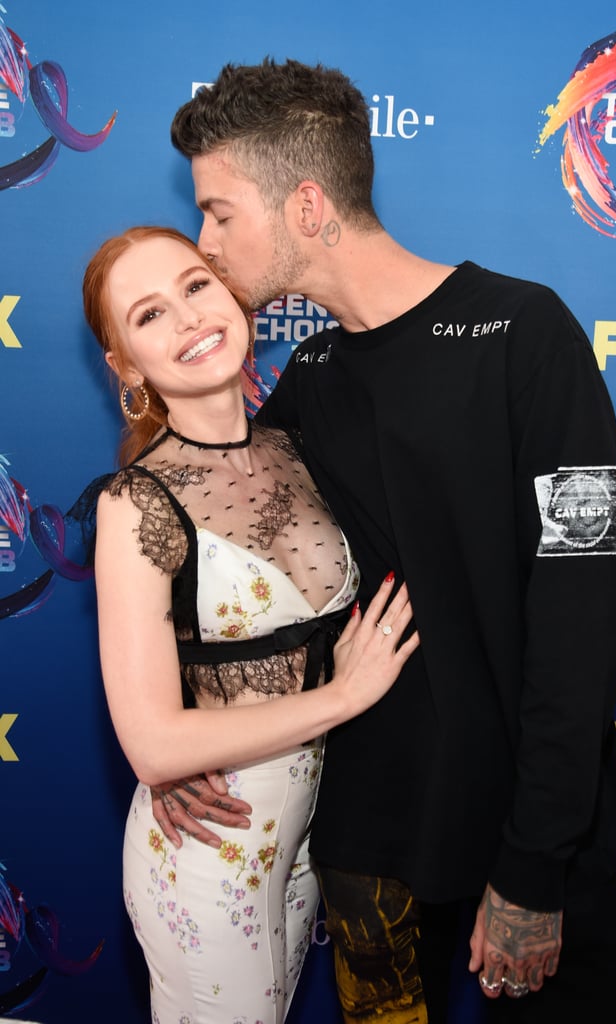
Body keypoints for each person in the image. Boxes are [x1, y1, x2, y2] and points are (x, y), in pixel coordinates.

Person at [151, 59, 616, 1023]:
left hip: (530, 836)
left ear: (306, 204)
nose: (205, 242)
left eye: (218, 212)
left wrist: (534, 865)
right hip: (365, 841)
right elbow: (219, 569)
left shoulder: (523, 332)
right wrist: (181, 733)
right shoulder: (309, 379)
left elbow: (585, 614)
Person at [81, 223, 420, 1024]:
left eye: (195, 286)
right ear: (125, 364)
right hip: (208, 849)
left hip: (314, 838)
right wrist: (347, 694)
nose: (189, 318)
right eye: (149, 314)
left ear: (232, 293)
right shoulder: (133, 504)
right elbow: (154, 745)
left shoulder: (305, 448)